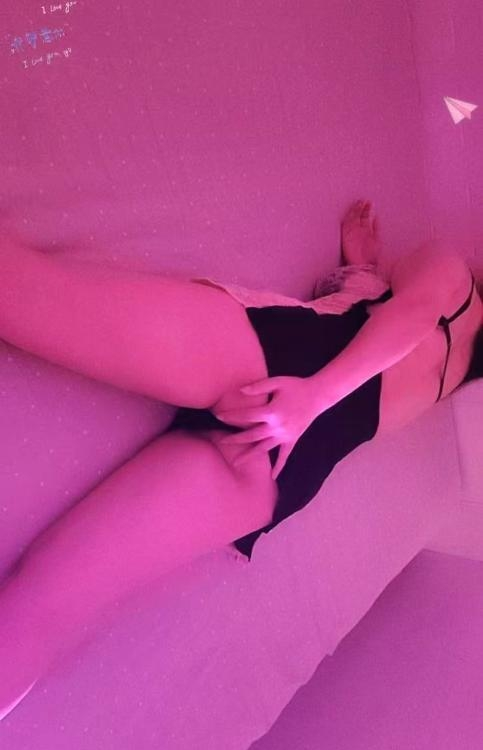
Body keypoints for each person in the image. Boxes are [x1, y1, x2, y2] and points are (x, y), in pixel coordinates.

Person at [0, 201, 482, 719]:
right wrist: (363, 270)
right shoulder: (452, 377)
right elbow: (386, 336)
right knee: (47, 603)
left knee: (30, 294)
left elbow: (409, 316)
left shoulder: (453, 274)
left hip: (280, 368)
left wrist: (313, 396)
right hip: (281, 471)